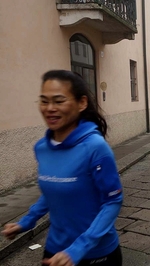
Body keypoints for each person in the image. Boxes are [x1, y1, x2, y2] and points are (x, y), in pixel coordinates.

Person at [1, 70, 123, 266]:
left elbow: (113, 201)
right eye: (44, 101)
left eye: (59, 101)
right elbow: (53, 189)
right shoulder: (42, 148)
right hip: (55, 251)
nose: (50, 108)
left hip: (96, 254)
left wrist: (78, 248)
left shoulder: (96, 147)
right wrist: (27, 221)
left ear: (81, 103)